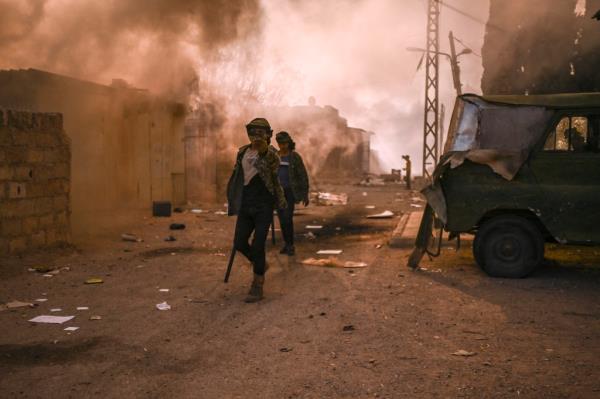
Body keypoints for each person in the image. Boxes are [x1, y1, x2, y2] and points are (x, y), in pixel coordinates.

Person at [227, 118, 287, 303]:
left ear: (267, 135)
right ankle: (259, 263)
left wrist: (262, 151)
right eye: (253, 133)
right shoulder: (242, 152)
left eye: (260, 133)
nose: (256, 136)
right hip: (246, 203)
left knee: (258, 244)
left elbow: (273, 168)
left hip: (263, 204)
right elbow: (238, 175)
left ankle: (257, 284)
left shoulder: (271, 154)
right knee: (239, 242)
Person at [275, 131, 309, 256]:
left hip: (289, 192)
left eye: (284, 143)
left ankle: (290, 245)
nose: (282, 146)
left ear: (289, 143)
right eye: (280, 143)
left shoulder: (294, 157)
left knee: (287, 218)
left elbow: (303, 176)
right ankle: (287, 243)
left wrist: (305, 194)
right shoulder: (275, 156)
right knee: (281, 219)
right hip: (278, 192)